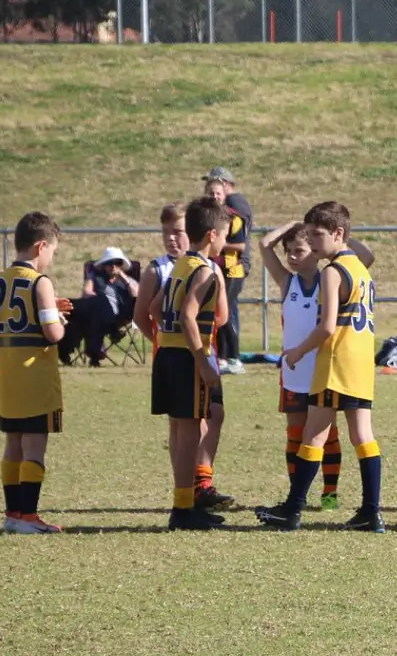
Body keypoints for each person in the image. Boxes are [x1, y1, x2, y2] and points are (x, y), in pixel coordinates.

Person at [257, 201, 387, 533]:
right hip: (361, 362)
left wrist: (298, 351)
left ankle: (292, 509)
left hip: (336, 362)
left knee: (313, 435)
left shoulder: (331, 271)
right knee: (362, 435)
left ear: (338, 234)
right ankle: (371, 511)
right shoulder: (360, 267)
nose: (313, 242)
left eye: (318, 235)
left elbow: (327, 326)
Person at [144, 199, 233, 531]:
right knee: (191, 433)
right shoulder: (206, 271)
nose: (225, 242)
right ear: (212, 234)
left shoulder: (181, 264)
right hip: (186, 357)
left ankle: (185, 504)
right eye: (224, 235)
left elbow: (155, 309)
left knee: (183, 433)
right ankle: (183, 509)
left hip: (166, 353)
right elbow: (188, 317)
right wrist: (203, 361)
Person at [260, 221, 347, 512]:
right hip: (294, 372)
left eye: (299, 250)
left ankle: (330, 494)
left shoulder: (330, 280)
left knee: (328, 434)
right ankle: (297, 493)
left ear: (316, 252)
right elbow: (263, 245)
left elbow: (365, 257)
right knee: (295, 433)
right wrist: (290, 226)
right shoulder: (288, 283)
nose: (291, 256)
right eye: (288, 251)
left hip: (322, 371)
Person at [0, 212, 70, 534]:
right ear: (41, 246)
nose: (51, 257)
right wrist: (60, 322)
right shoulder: (40, 281)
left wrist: (50, 307)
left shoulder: (0, 279)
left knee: (13, 444)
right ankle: (29, 516)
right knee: (34, 444)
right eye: (52, 250)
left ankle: (12, 513)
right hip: (35, 376)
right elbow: (52, 334)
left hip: (9, 375)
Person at [203, 168, 252, 376]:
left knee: (224, 312)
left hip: (233, 271)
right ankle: (222, 357)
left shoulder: (233, 216)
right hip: (217, 270)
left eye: (218, 194)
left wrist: (219, 246)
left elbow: (241, 245)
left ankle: (234, 357)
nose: (214, 197)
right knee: (220, 312)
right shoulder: (208, 217)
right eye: (211, 193)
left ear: (224, 194)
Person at [64, 247, 139, 367]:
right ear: (104, 265)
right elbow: (86, 293)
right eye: (109, 263)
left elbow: (137, 295)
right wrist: (92, 291)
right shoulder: (96, 278)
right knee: (85, 307)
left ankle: (66, 352)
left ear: (121, 266)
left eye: (117, 263)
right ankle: (109, 337)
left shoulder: (128, 281)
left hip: (119, 315)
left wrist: (123, 277)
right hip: (97, 316)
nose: (113, 266)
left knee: (84, 316)